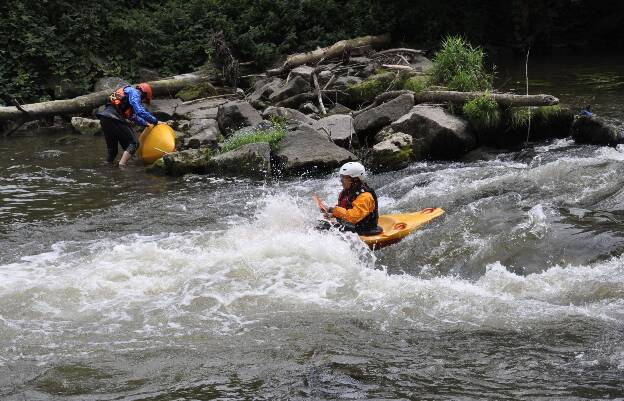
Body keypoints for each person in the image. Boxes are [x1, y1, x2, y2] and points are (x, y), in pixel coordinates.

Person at [96, 82, 163, 167]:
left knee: (113, 151)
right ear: (143, 93)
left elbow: (132, 116)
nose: (142, 101)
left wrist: (146, 123)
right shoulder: (134, 92)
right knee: (134, 143)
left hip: (104, 118)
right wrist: (155, 121)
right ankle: (121, 167)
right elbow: (140, 111)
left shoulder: (126, 93)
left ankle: (107, 168)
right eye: (144, 100)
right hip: (113, 118)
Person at [315, 162, 382, 236]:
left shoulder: (365, 196)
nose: (341, 180)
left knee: (326, 228)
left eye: (345, 178)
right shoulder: (347, 192)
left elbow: (353, 217)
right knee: (323, 223)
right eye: (341, 177)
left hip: (365, 229)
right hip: (353, 226)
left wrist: (332, 210)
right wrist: (331, 214)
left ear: (355, 180)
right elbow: (344, 209)